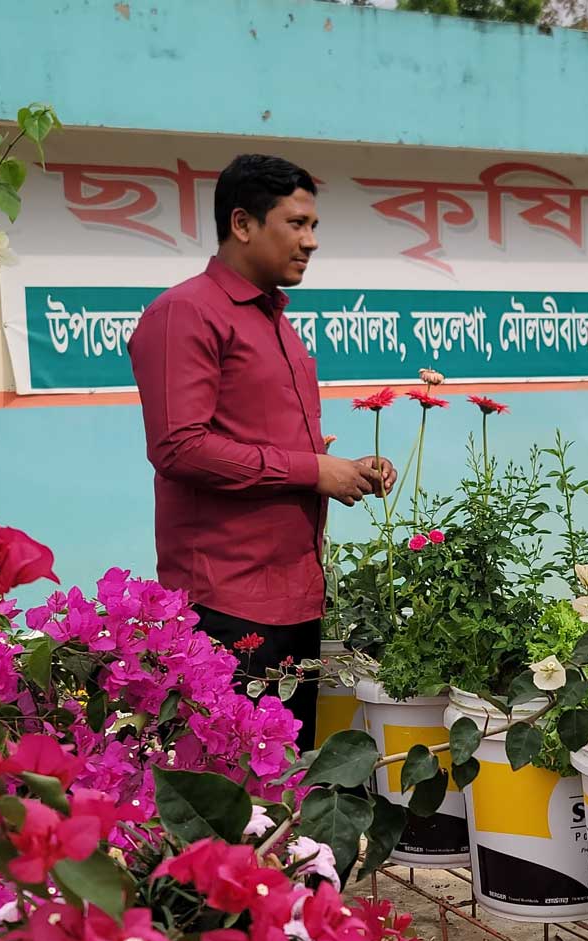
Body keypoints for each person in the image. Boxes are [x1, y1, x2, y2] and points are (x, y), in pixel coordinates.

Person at [129, 154, 395, 748]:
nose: (311, 241)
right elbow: (180, 448)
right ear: (243, 223)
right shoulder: (185, 313)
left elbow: (266, 449)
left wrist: (342, 471)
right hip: (226, 602)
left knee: (284, 784)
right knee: (231, 788)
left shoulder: (275, 320)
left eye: (315, 227)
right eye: (296, 224)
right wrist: (311, 469)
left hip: (294, 595)